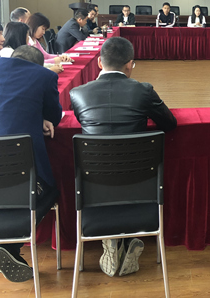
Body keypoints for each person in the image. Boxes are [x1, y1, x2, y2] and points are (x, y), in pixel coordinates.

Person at [70, 37, 177, 277]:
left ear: (99, 63)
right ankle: (126, 240)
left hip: (93, 185)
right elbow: (170, 123)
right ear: (130, 65)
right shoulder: (143, 90)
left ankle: (112, 240)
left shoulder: (77, 93)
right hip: (140, 182)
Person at [0, 45, 62, 282]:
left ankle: (0, 247)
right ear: (38, 65)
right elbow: (55, 114)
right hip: (17, 163)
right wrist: (42, 117)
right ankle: (6, 246)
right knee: (46, 191)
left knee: (6, 189)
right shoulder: (44, 75)